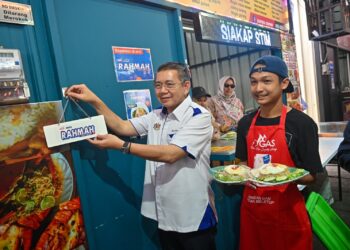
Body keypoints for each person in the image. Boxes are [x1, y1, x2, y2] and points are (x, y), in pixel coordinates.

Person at [65, 62, 217, 250]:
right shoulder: (156, 116)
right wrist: (94, 100)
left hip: (193, 215)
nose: (162, 91)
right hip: (164, 213)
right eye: (158, 85)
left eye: (169, 84)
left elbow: (172, 154)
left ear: (186, 87)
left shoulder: (199, 116)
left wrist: (123, 146)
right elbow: (122, 127)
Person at [235, 55, 323, 249]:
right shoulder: (245, 123)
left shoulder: (302, 124)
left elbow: (311, 176)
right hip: (252, 213)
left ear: (284, 83)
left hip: (287, 214)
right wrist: (242, 175)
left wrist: (279, 176)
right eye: (254, 82)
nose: (259, 89)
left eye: (267, 81)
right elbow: (242, 164)